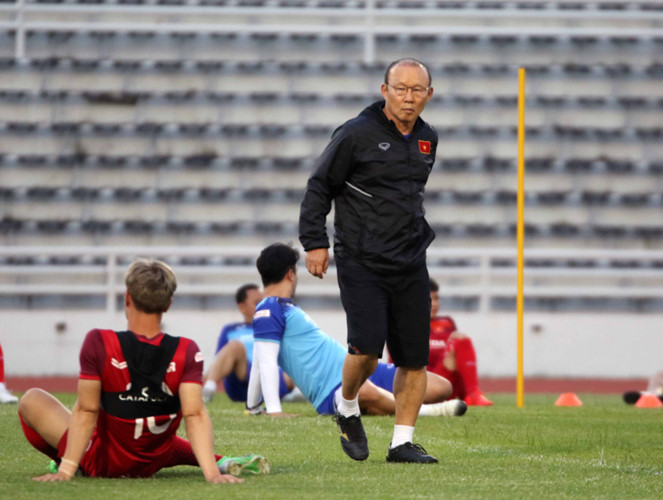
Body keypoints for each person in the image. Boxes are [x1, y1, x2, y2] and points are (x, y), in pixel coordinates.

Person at [299, 58, 438, 463]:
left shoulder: (428, 138)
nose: (408, 97)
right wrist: (314, 242)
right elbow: (319, 186)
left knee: (414, 358)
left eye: (417, 90)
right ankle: (345, 406)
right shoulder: (356, 133)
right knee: (366, 351)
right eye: (400, 88)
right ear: (384, 90)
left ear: (429, 95)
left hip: (411, 260)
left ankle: (402, 443)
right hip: (361, 259)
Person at [18, 258, 269, 483]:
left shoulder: (99, 342)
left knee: (31, 399)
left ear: (128, 297)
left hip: (102, 463)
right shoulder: (186, 349)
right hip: (154, 458)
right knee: (149, 426)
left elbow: (86, 410)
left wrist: (65, 471)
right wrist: (212, 475)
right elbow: (195, 416)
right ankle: (219, 461)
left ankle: (64, 458)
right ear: (168, 304)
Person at [245, 243, 467, 420]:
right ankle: (428, 413)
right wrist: (274, 410)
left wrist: (253, 406)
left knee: (441, 387)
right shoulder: (269, 308)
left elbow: (258, 358)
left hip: (357, 370)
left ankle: (379, 405)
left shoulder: (281, 307)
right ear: (291, 274)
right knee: (366, 393)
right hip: (332, 390)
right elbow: (265, 361)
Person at [202, 283, 295, 404]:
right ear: (242, 307)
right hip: (242, 377)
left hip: (272, 377)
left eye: (263, 302)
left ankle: (296, 394)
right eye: (257, 303)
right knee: (235, 346)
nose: (262, 306)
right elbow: (219, 359)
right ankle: (208, 389)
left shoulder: (274, 326)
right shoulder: (231, 329)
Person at [428, 278, 493, 406]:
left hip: (447, 385)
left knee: (461, 341)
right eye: (430, 299)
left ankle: (471, 394)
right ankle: (473, 394)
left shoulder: (447, 322)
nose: (435, 303)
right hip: (424, 387)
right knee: (458, 340)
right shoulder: (407, 325)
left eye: (437, 298)